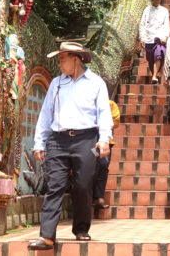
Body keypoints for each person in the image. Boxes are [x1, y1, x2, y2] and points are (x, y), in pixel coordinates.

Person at [30, 41, 114, 248]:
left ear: (76, 59)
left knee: (83, 185)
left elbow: (104, 112)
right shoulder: (57, 83)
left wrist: (104, 139)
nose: (59, 64)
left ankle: (82, 228)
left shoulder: (96, 83)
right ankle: (47, 235)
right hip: (58, 140)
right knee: (54, 186)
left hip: (87, 140)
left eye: (62, 59)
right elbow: (46, 114)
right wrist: (39, 142)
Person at [92, 98, 122, 209]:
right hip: (88, 141)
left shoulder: (110, 104)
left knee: (103, 165)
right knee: (92, 165)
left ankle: (99, 196)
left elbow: (116, 120)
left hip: (104, 143)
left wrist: (101, 123)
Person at [138, 0, 170, 83]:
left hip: (159, 38)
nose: (156, 0)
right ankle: (154, 74)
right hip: (148, 38)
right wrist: (142, 38)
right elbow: (142, 25)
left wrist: (165, 37)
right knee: (150, 59)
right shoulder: (146, 10)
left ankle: (154, 76)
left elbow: (166, 25)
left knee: (158, 55)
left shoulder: (164, 11)